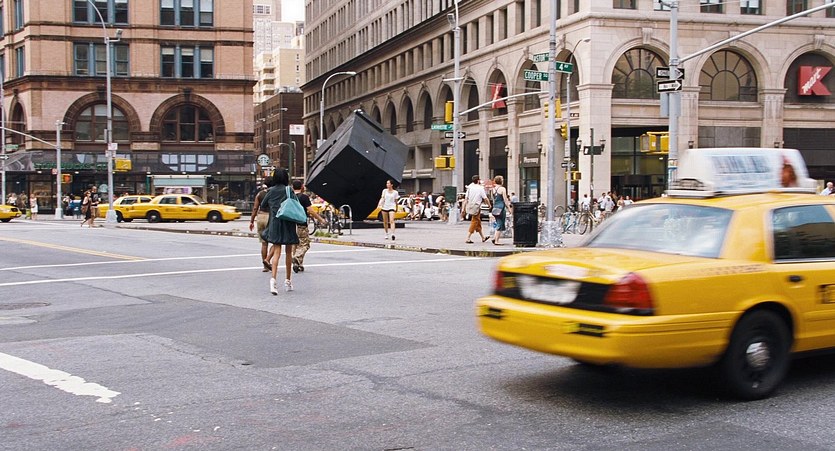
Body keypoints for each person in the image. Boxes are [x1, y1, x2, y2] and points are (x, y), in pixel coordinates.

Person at [260, 169, 300, 295]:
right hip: (288, 222)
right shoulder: (289, 190)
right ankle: (288, 281)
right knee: (288, 252)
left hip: (275, 223)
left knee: (276, 251)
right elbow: (296, 204)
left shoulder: (270, 191)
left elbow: (263, 205)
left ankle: (273, 280)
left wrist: (273, 207)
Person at [292, 180, 325, 273]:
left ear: (292, 187)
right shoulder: (304, 197)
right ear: (302, 187)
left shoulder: (290, 197)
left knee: (295, 244)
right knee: (305, 244)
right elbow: (311, 211)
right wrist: (320, 219)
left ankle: (298, 264)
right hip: (301, 223)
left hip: (291, 223)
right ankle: (296, 257)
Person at [249, 177, 275, 272]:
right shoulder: (274, 193)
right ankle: (268, 260)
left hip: (260, 217)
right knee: (276, 242)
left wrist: (252, 221)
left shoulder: (259, 194)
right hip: (270, 217)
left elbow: (255, 208)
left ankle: (265, 266)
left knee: (264, 244)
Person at [463, 175, 491, 244]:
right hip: (476, 206)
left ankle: (483, 237)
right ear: (478, 180)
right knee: (474, 221)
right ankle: (468, 238)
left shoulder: (469, 187)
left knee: (478, 221)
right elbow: (485, 198)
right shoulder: (480, 188)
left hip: (470, 205)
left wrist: (463, 208)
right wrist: (489, 205)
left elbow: (466, 199)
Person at [490, 175, 512, 245]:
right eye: (502, 179)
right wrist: (509, 208)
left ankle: (494, 238)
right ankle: (496, 241)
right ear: (501, 181)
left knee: (498, 222)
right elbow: (505, 200)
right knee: (500, 224)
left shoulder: (493, 189)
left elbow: (493, 200)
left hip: (495, 208)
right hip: (501, 208)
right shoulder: (502, 189)